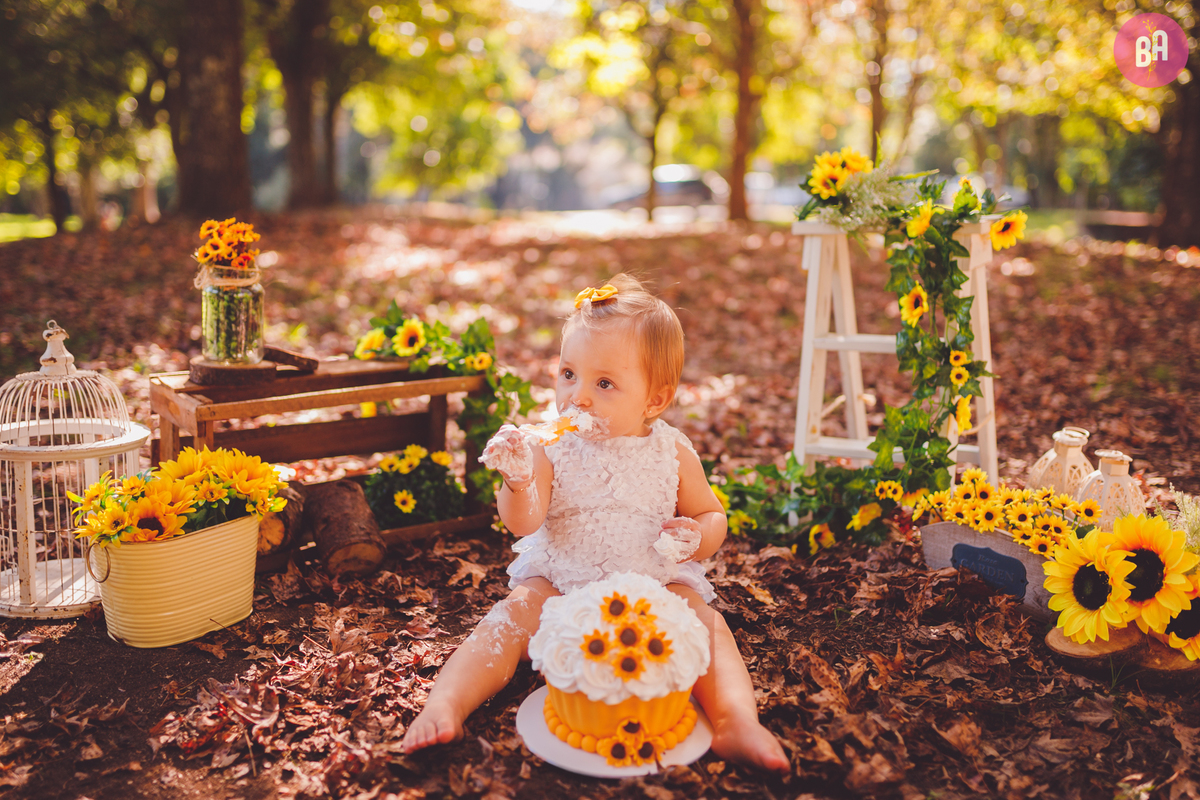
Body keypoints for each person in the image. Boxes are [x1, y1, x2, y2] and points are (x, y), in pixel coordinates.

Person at [401, 274, 789, 772]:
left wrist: (696, 537)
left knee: (705, 623)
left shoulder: (671, 451)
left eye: (604, 383)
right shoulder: (550, 446)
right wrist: (519, 482)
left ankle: (736, 720)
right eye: (568, 374)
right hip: (561, 582)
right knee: (510, 616)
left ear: (654, 400)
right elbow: (525, 523)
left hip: (652, 585)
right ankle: (447, 702)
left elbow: (712, 514)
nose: (578, 396)